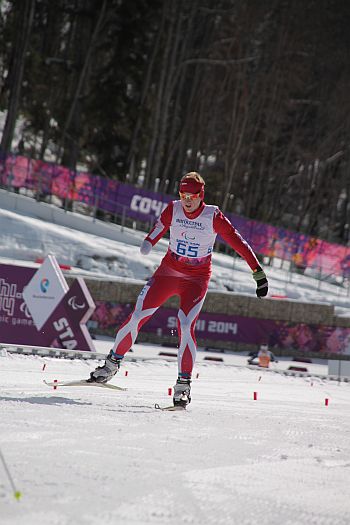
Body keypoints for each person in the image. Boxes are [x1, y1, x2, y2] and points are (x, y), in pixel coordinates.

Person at [90, 172, 268, 407]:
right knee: (138, 316)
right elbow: (160, 225)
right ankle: (110, 365)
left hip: (196, 279)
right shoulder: (173, 208)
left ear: (200, 195)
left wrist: (258, 273)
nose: (187, 201)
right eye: (183, 195)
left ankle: (183, 385)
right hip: (168, 272)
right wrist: (149, 242)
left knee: (185, 325)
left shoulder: (212, 215)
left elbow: (239, 243)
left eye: (192, 196)